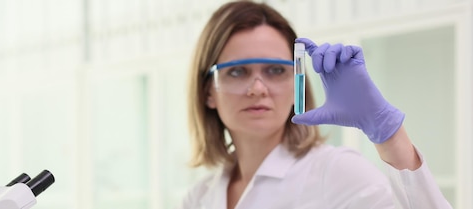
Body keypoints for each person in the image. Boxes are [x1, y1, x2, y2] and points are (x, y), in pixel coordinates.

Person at [179, 1, 452, 209]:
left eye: (275, 70)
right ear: (207, 92)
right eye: (237, 72)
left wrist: (389, 134)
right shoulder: (199, 196)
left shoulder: (334, 173)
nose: (258, 89)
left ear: (297, 79)